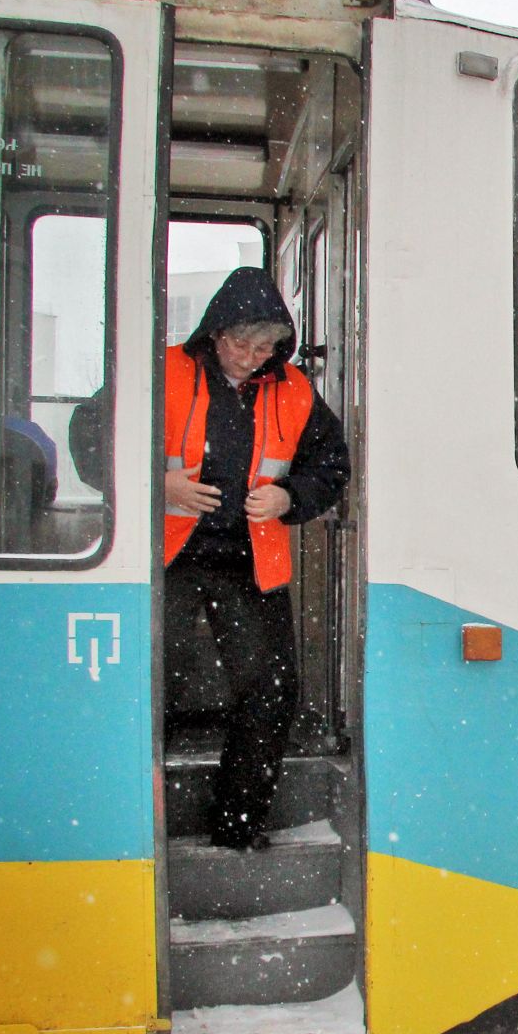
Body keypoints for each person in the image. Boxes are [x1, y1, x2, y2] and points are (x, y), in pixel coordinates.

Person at [163, 267, 348, 850]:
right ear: (214, 334)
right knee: (150, 687)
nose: (250, 357)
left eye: (265, 347)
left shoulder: (293, 390)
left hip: (250, 565)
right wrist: (159, 487)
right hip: (167, 562)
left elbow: (331, 467)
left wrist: (289, 497)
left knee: (271, 690)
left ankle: (238, 825)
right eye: (240, 343)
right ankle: (132, 828)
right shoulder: (161, 371)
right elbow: (94, 437)